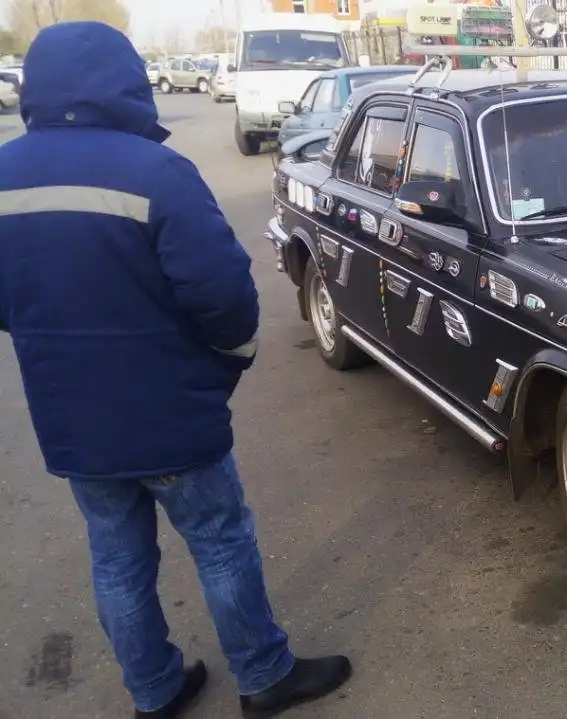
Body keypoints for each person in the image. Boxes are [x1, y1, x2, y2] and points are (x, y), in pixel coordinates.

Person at [0, 22, 352, 719]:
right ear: (125, 83)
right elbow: (224, 296)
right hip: (168, 410)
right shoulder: (156, 171)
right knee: (220, 542)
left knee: (116, 557)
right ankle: (264, 675)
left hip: (71, 419)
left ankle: (155, 693)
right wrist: (225, 364)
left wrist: (51, 347)